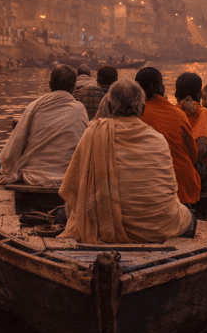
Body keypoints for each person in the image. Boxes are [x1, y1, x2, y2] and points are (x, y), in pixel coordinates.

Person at [59, 79, 195, 243]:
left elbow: (72, 188)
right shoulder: (158, 140)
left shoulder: (93, 133)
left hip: (102, 229)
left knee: (67, 212)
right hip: (157, 229)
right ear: (143, 108)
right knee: (189, 217)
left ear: (108, 107)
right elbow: (171, 189)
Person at [0, 64, 88, 186]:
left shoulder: (34, 106)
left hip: (33, 176)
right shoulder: (80, 109)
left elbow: (14, 146)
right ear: (73, 88)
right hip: (69, 176)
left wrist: (8, 166)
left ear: (49, 84)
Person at [135, 67, 201, 205]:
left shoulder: (132, 116)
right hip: (181, 188)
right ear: (162, 88)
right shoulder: (179, 114)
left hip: (143, 187)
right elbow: (193, 156)